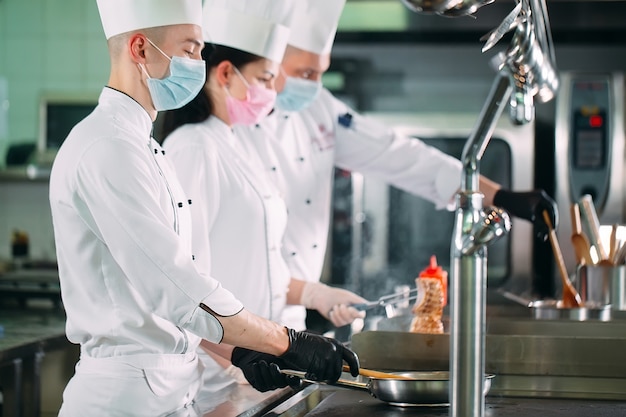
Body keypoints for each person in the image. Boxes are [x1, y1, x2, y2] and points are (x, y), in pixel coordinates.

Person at [49, 1, 359, 415]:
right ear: (140, 49)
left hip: (171, 391)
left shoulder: (144, 145)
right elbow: (176, 288)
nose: (201, 63)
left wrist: (239, 352)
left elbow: (181, 287)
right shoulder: (108, 147)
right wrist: (285, 342)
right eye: (192, 49)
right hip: (122, 399)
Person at [234, 0, 559, 332]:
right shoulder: (226, 129)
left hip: (290, 325)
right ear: (270, 64)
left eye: (321, 73)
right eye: (305, 74)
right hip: (236, 322)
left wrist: (500, 196)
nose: (314, 85)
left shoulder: (318, 109)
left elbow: (402, 157)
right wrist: (315, 294)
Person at [158, 0, 366, 400]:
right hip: (217, 378)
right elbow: (179, 288)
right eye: (267, 78)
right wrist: (237, 357)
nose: (274, 92)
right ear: (225, 74)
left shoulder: (236, 144)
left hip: (262, 367)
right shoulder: (192, 149)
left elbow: (254, 265)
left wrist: (314, 294)